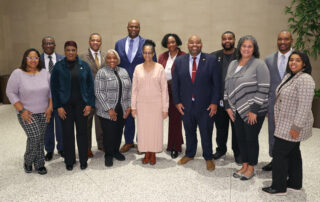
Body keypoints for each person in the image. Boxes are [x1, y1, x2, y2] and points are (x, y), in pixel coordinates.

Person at [262, 51, 315, 195]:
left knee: (280, 154)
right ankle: (295, 183)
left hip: (291, 125)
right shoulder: (289, 76)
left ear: (304, 63)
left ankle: (278, 187)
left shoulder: (305, 79)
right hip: (284, 122)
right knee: (294, 153)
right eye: (291, 60)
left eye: (298, 60)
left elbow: (304, 106)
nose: (293, 62)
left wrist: (296, 127)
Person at [172, 35, 221, 171]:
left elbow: (217, 84)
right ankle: (190, 154)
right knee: (189, 131)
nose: (195, 45)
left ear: (201, 44)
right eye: (192, 43)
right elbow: (175, 83)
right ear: (187, 45)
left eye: (198, 42)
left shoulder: (211, 60)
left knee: (206, 132)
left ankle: (208, 157)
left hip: (206, 105)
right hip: (186, 105)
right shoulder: (180, 61)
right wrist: (177, 102)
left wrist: (214, 103)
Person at [224, 35, 270, 180]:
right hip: (236, 109)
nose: (246, 49)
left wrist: (254, 111)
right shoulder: (233, 64)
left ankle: (251, 167)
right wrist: (227, 106)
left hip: (254, 111)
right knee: (240, 138)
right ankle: (244, 165)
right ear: (239, 47)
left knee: (251, 138)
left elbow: (264, 88)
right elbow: (226, 86)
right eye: (244, 46)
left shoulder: (259, 64)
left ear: (254, 49)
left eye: (250, 46)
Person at [6, 48, 52, 175]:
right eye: (30, 57)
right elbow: (10, 92)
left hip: (43, 112)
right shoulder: (17, 73)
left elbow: (51, 92)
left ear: (39, 59)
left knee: (40, 138)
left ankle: (39, 164)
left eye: (36, 57)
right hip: (26, 113)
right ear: (25, 59)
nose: (33, 60)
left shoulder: (44, 73)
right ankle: (28, 160)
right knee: (35, 136)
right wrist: (22, 110)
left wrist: (50, 107)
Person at [50, 41, 94, 171]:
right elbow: (54, 88)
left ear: (76, 51)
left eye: (73, 50)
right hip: (65, 107)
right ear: (64, 51)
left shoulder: (84, 65)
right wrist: (58, 106)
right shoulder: (58, 67)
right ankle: (69, 160)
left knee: (82, 133)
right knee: (67, 134)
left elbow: (90, 86)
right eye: (68, 50)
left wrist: (89, 104)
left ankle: (83, 159)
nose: (70, 52)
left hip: (82, 106)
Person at [115, 19, 157, 153]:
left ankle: (143, 142)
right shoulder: (119, 43)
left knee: (144, 115)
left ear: (139, 28)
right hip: (125, 87)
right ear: (127, 27)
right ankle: (128, 141)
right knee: (128, 114)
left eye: (136, 27)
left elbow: (153, 64)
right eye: (131, 26)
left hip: (144, 86)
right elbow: (115, 63)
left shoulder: (147, 43)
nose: (133, 28)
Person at [131, 40, 169, 165]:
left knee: (155, 130)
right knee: (143, 130)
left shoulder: (159, 68)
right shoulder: (137, 68)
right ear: (142, 54)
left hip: (156, 105)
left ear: (153, 53)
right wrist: (133, 107)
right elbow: (134, 89)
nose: (147, 55)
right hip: (142, 105)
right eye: (145, 53)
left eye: (150, 53)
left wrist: (165, 108)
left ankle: (153, 153)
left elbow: (164, 89)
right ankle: (146, 152)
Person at [95, 49, 132, 167]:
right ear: (106, 60)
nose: (112, 60)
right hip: (107, 109)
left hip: (122, 107)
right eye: (109, 58)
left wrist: (129, 107)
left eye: (114, 58)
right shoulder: (102, 72)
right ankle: (109, 155)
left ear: (118, 60)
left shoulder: (124, 71)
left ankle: (116, 151)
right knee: (109, 133)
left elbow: (129, 90)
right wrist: (109, 109)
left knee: (118, 131)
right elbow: (99, 92)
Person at [263, 31, 293, 172]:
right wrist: (267, 105)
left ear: (291, 40)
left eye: (286, 39)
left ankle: (288, 162)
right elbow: (266, 83)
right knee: (273, 133)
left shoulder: (297, 58)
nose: (283, 42)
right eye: (280, 39)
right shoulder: (269, 59)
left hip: (291, 105)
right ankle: (275, 160)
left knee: (289, 136)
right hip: (273, 104)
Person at [211, 31, 241, 164]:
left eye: (229, 38)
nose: (227, 41)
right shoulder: (214, 56)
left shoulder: (241, 55)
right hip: (220, 100)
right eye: (224, 39)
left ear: (234, 39)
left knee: (237, 129)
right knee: (221, 127)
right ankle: (221, 149)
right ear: (221, 41)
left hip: (237, 100)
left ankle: (238, 152)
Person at [158, 33, 186, 159]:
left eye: (173, 42)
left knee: (175, 119)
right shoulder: (162, 56)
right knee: (167, 118)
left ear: (177, 42)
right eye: (169, 42)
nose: (171, 44)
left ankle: (175, 147)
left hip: (178, 91)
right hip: (164, 90)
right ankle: (173, 143)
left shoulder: (184, 56)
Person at [80, 33, 106, 158]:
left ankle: (101, 144)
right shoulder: (81, 57)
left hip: (102, 95)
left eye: (98, 40)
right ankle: (87, 148)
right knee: (87, 123)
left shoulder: (106, 56)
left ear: (101, 42)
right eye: (93, 40)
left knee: (101, 121)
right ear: (89, 41)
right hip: (88, 96)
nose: (96, 42)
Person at [40, 36, 64, 161]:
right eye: (46, 43)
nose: (49, 45)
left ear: (55, 45)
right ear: (42, 45)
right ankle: (49, 150)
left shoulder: (62, 59)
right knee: (47, 125)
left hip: (60, 98)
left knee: (61, 125)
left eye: (51, 43)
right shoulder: (37, 60)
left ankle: (61, 148)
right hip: (43, 99)